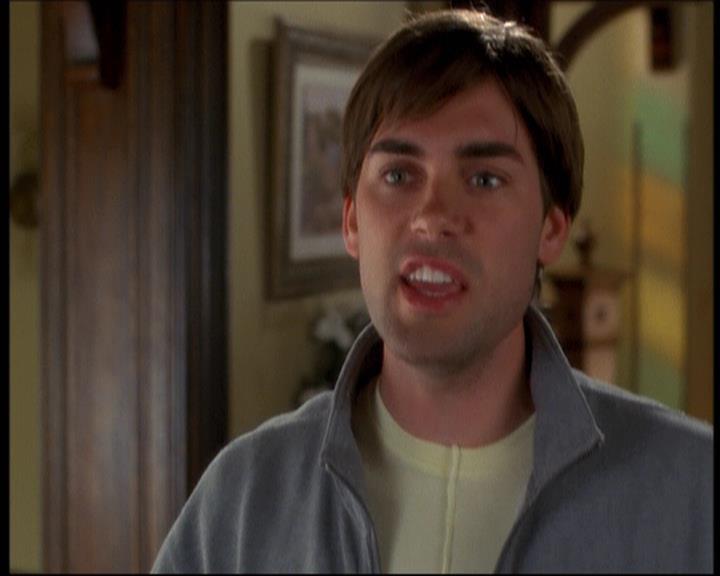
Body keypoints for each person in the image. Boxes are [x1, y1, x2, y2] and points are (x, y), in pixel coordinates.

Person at [152, 9, 713, 573]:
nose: (433, 216)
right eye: (399, 175)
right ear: (351, 220)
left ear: (551, 228)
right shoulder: (242, 503)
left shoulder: (693, 493)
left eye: (484, 179)